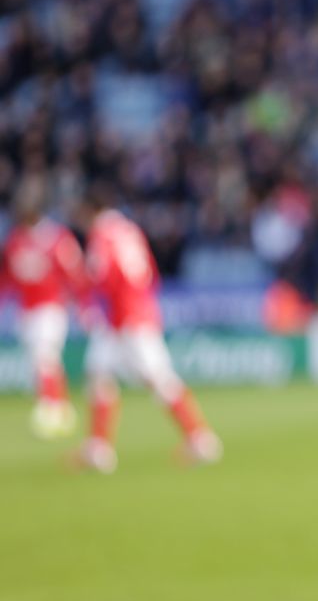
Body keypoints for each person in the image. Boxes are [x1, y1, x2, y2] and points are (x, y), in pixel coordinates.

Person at [73, 187, 222, 474]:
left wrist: (97, 307)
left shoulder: (102, 234)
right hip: (137, 310)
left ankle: (201, 438)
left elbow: (104, 276)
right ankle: (98, 449)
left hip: (125, 316)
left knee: (157, 377)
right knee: (99, 372)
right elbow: (150, 272)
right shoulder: (129, 230)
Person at [1, 180, 88, 440]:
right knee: (40, 361)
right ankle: (60, 406)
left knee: (44, 355)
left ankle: (51, 408)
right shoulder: (15, 239)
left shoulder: (56, 237)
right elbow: (9, 277)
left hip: (51, 308)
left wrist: (82, 304)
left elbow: (74, 274)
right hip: (26, 310)